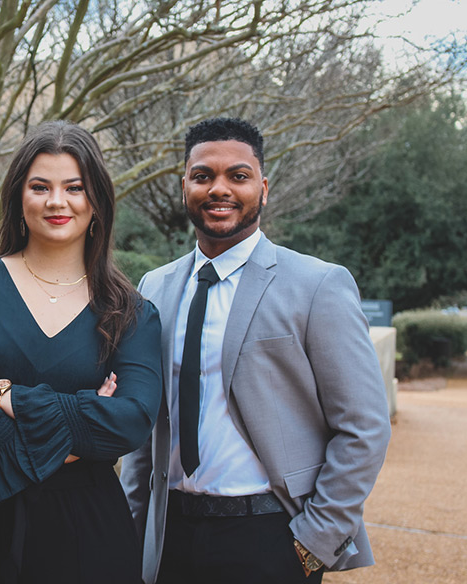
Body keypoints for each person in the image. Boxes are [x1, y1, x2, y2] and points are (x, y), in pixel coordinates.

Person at [119, 117, 392, 584]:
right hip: (170, 535)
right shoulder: (154, 288)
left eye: (238, 176)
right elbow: (150, 423)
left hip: (271, 536)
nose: (219, 188)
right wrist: (133, 525)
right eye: (203, 176)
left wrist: (313, 542)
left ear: (263, 188)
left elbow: (364, 426)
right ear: (184, 185)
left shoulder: (318, 285)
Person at [0, 120, 162, 584]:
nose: (57, 201)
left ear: (96, 201)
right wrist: (76, 425)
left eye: (74, 187)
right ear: (19, 197)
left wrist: (0, 395)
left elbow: (131, 422)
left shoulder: (130, 312)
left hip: (90, 532)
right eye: (41, 186)